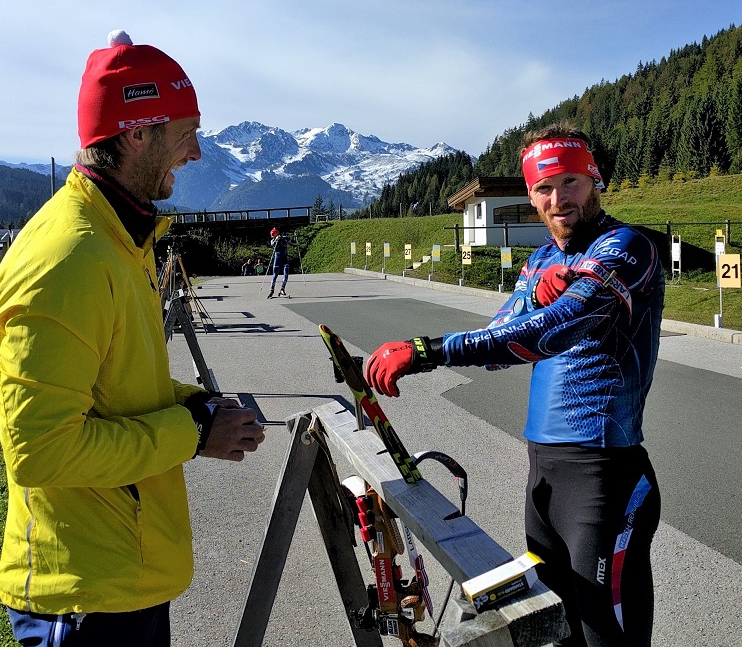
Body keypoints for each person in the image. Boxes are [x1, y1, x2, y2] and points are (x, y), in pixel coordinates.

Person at [0, 30, 266, 647]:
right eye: (186, 131)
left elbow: (117, 382)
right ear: (138, 133)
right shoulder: (69, 259)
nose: (194, 153)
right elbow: (41, 452)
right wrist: (192, 434)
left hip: (116, 580)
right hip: (84, 601)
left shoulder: (115, 239)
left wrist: (198, 405)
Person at [364, 123, 664, 647]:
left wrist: (429, 350)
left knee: (605, 637)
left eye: (570, 182)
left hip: (603, 474)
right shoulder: (543, 259)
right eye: (544, 188)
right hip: (545, 471)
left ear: (594, 180)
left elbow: (556, 330)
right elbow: (502, 340)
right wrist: (529, 300)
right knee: (554, 629)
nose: (558, 199)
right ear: (530, 195)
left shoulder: (627, 246)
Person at [267, 227, 290, 298]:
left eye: (273, 234)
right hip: (277, 258)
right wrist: (276, 240)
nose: (272, 236)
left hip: (284, 258)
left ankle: (282, 289)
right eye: (271, 235)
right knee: (275, 275)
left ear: (276, 234)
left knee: (286, 274)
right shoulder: (273, 240)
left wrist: (294, 239)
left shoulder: (283, 238)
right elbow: (273, 245)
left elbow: (290, 240)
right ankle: (272, 290)